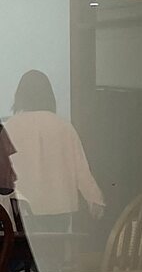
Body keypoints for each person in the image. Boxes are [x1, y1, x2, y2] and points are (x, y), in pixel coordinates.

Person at [1, 70, 105, 233]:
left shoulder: (10, 128)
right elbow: (81, 171)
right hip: (59, 208)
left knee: (20, 248)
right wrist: (95, 200)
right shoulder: (64, 127)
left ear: (20, 95)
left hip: (21, 209)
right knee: (57, 247)